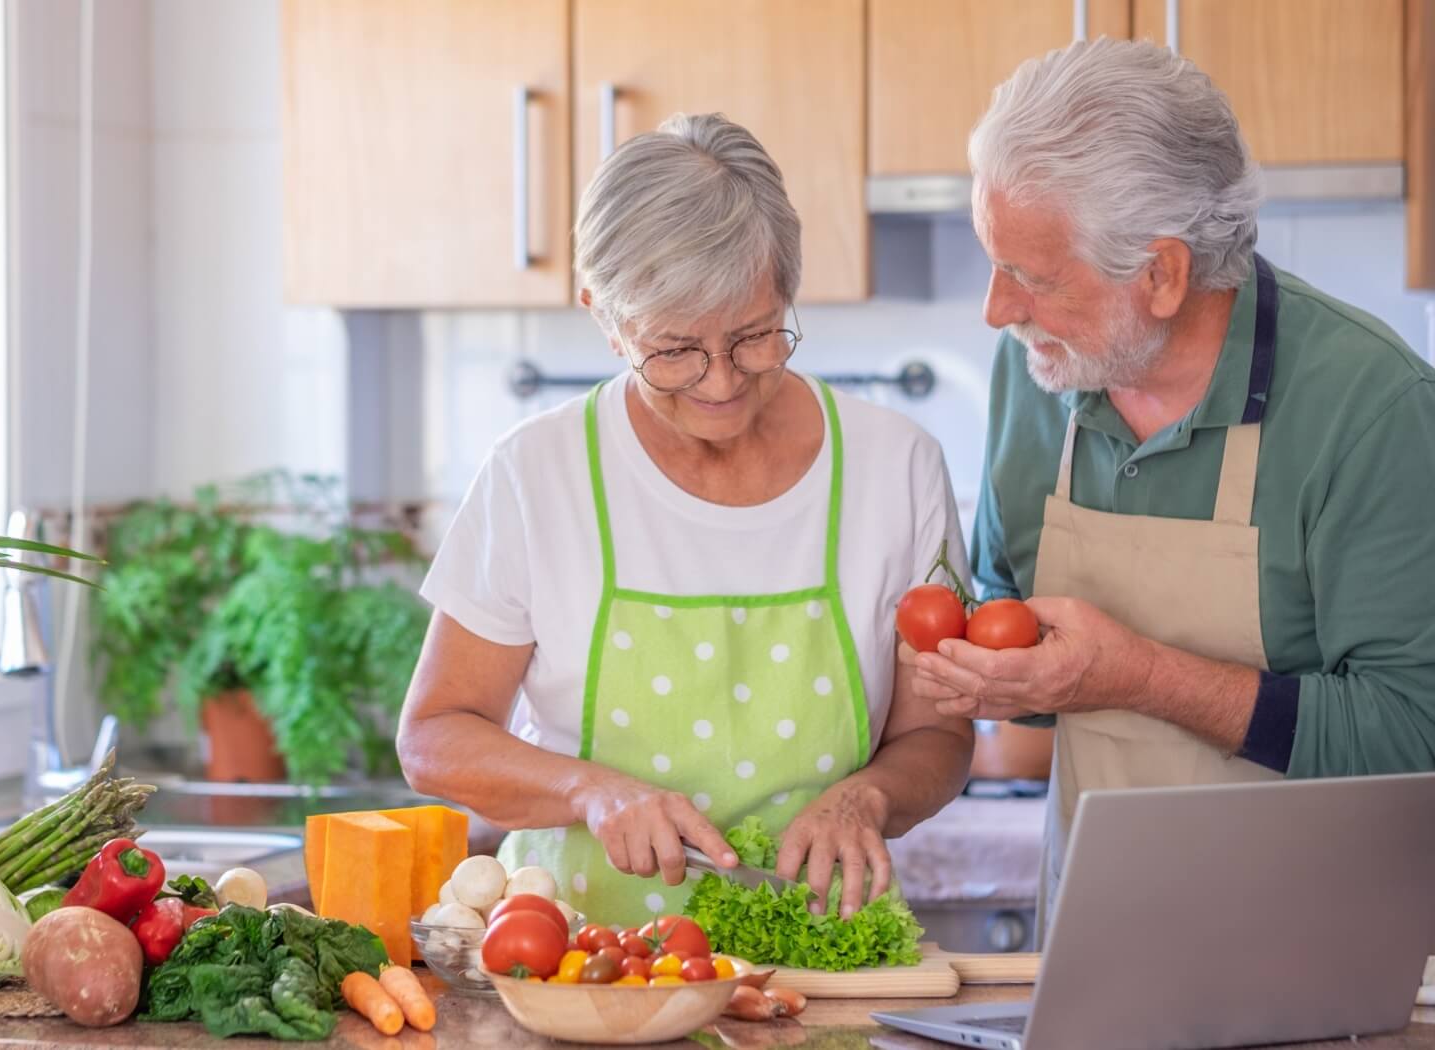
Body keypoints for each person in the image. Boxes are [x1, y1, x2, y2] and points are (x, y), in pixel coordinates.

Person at [906, 37, 1435, 929]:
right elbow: (1014, 617)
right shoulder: (1038, 372)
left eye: (1031, 277)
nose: (997, 310)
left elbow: (1414, 734)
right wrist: (998, 677)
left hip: (1324, 953)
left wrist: (1142, 676)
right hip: (1092, 937)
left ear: (1162, 274)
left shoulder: (1371, 408)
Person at [398, 113, 972, 928]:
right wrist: (589, 789)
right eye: (673, 351)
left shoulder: (897, 466)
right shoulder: (539, 473)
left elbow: (940, 737)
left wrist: (870, 796)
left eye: (755, 338)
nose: (719, 383)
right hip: (579, 964)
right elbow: (433, 737)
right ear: (603, 314)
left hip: (816, 960)